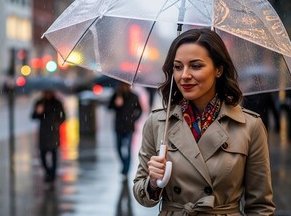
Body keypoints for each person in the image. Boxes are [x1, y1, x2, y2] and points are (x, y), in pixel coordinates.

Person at [133, 28, 275, 215]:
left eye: (196, 66)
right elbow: (141, 195)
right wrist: (153, 183)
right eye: (178, 66)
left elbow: (260, 207)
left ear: (218, 70)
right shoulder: (158, 122)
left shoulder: (250, 126)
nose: (184, 75)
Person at [31, 90, 66, 184]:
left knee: (54, 154)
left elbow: (63, 117)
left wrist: (56, 123)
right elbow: (33, 116)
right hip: (43, 132)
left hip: (53, 132)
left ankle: (52, 175)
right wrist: (38, 112)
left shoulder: (57, 103)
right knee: (42, 154)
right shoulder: (40, 102)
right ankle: (48, 172)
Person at [108, 82, 142, 177]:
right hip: (118, 127)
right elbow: (109, 107)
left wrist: (133, 119)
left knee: (128, 149)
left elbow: (140, 110)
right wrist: (116, 104)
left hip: (129, 127)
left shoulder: (134, 96)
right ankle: (124, 164)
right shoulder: (116, 94)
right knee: (118, 148)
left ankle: (126, 169)